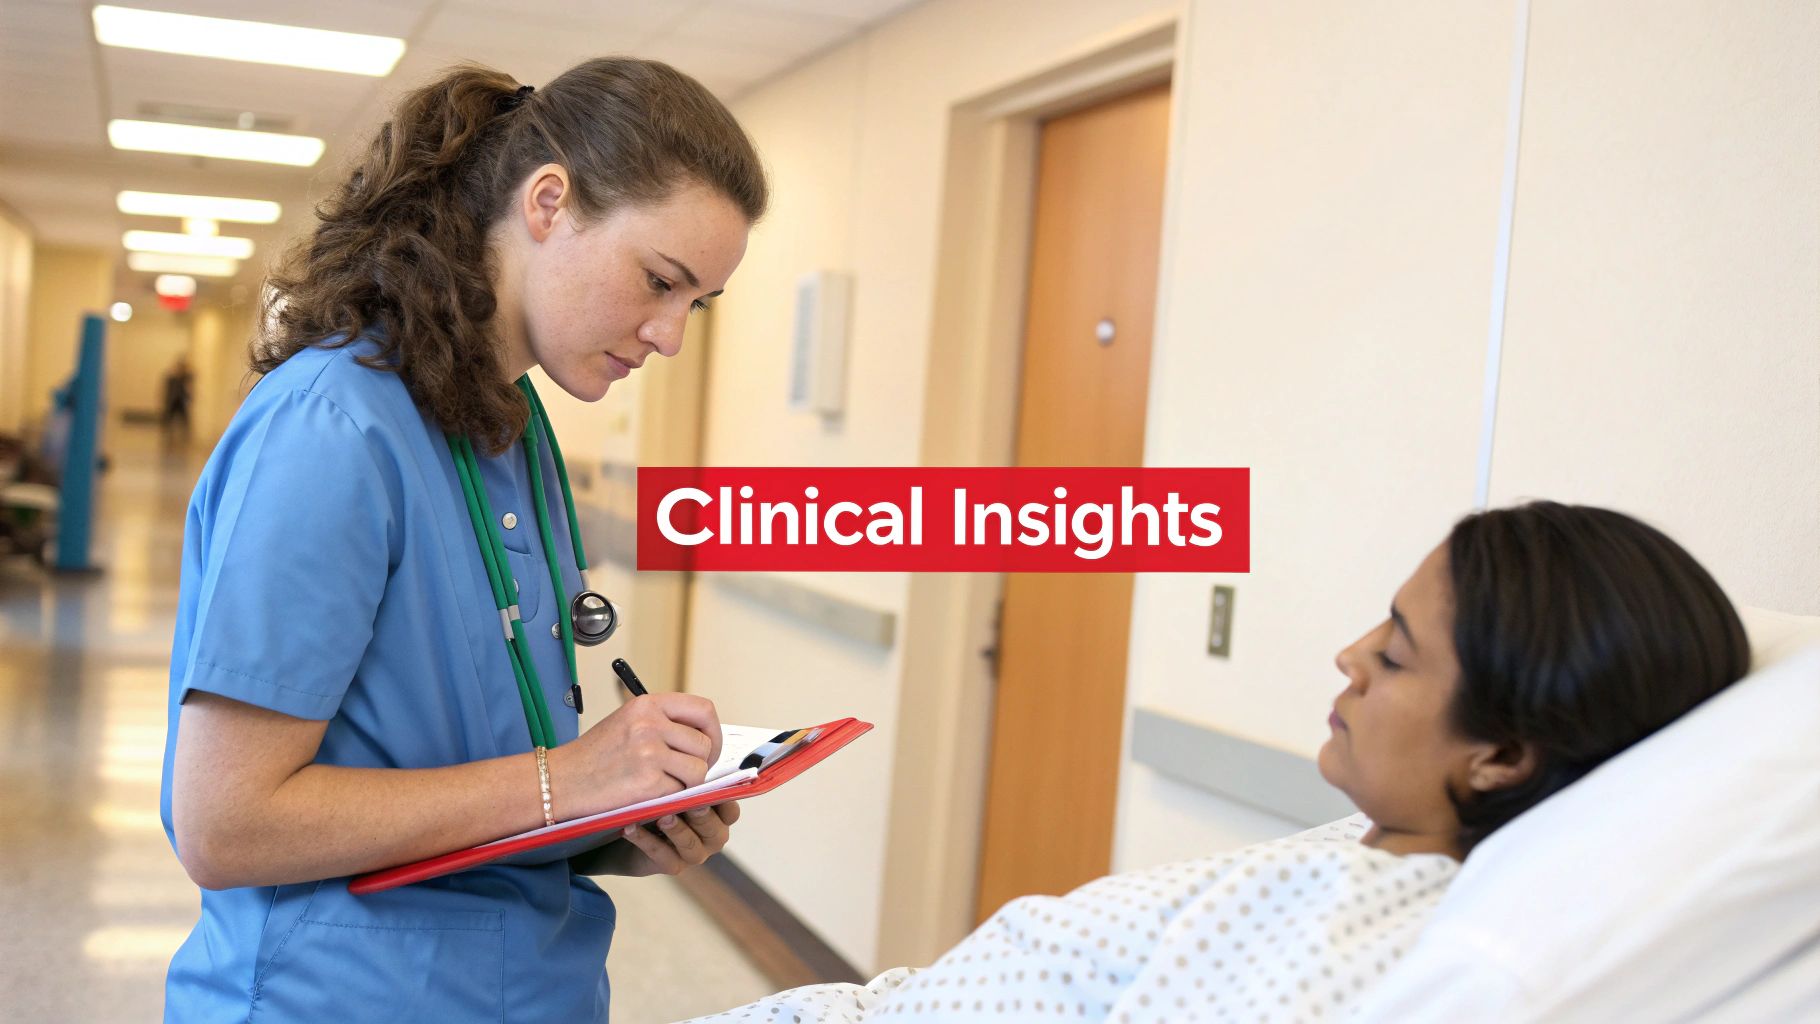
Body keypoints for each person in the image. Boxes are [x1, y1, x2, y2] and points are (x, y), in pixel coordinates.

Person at [159, 59, 767, 1022]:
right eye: (660, 281)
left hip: (522, 987)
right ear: (549, 202)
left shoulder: (513, 428)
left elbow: (470, 764)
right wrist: (567, 778)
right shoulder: (333, 428)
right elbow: (226, 824)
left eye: (696, 303)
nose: (670, 336)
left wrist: (618, 817)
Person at [683, 501, 1751, 1022]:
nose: (1349, 656)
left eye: (1393, 654)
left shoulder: (1377, 947)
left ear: (1502, 754)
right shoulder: (1361, 843)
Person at [160, 354, 193, 444]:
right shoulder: (171, 378)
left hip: (181, 401)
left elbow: (188, 389)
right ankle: (168, 435)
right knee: (169, 418)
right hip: (172, 401)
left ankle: (185, 436)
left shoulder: (185, 378)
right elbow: (167, 390)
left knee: (184, 419)